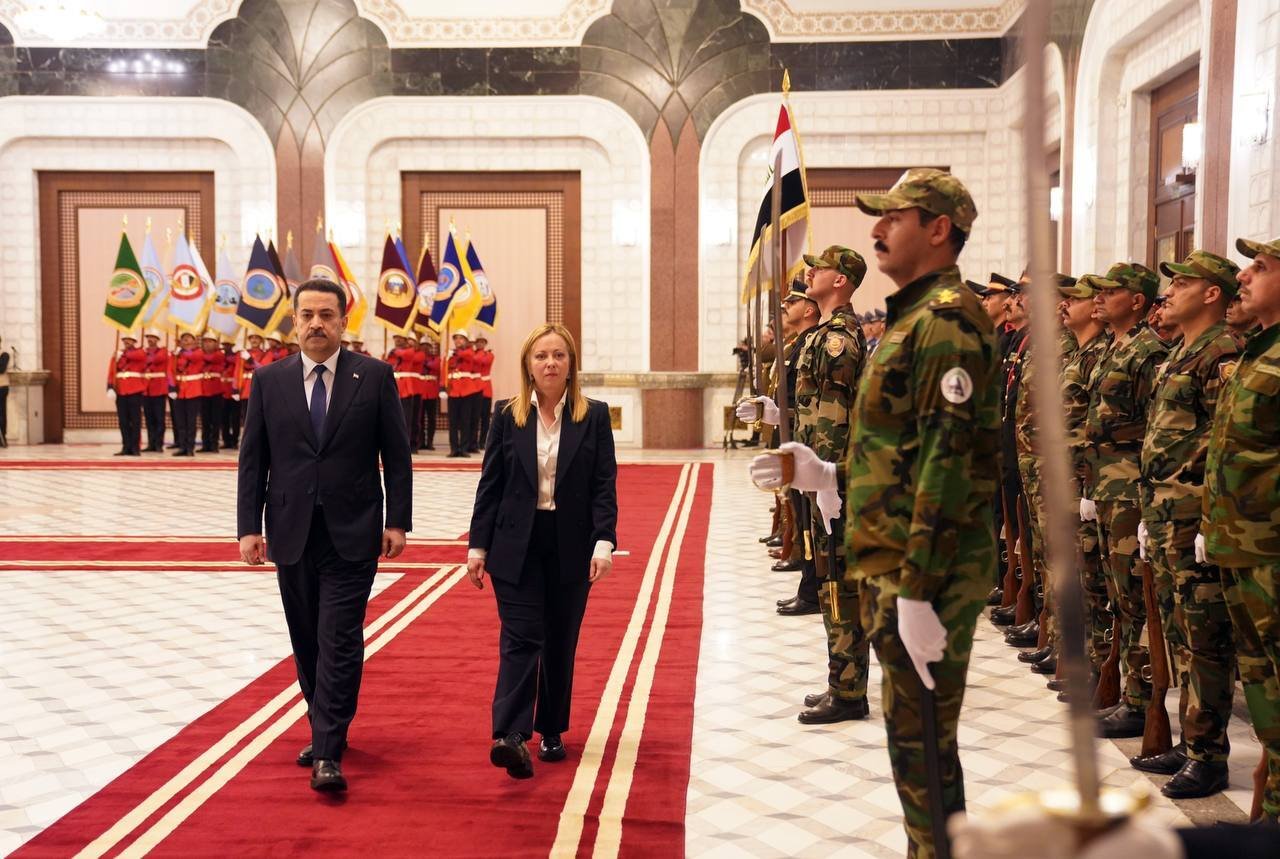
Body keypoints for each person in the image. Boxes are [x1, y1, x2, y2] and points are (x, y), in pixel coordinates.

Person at [752, 168, 998, 858]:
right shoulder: (912, 319)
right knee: (912, 750)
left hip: (930, 569)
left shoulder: (947, 322)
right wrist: (827, 474)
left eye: (894, 217)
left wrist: (919, 587)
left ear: (939, 229)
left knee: (924, 751)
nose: (878, 229)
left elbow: (947, 463)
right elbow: (898, 450)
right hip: (898, 558)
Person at [237, 277, 412, 793]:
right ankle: (325, 723)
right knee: (307, 637)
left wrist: (397, 520)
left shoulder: (373, 376)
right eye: (308, 315)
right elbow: (253, 460)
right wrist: (248, 527)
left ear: (343, 321)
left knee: (339, 637)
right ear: (294, 321)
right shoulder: (268, 380)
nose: (317, 324)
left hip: (353, 530)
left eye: (327, 315)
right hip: (290, 529)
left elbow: (396, 455)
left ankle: (328, 751)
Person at [466, 323, 617, 779]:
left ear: (571, 364)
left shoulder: (593, 415)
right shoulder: (506, 414)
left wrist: (604, 541)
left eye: (558, 355)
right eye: (541, 356)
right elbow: (490, 484)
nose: (550, 363)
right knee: (521, 636)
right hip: (516, 543)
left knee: (559, 639)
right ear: (528, 365)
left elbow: (603, 485)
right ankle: (511, 736)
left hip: (571, 543)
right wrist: (477, 546)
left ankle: (550, 728)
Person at [1132, 250, 1241, 797]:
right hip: (1164, 511)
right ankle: (1188, 738)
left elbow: (1225, 440)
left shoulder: (1222, 352)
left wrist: (1208, 518)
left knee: (1204, 637)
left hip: (1193, 511)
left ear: (1211, 293)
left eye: (1181, 283)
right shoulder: (1183, 350)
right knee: (1178, 632)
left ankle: (1208, 755)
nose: (1169, 292)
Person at [1203, 235, 1280, 822]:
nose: (1244, 277)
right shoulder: (1258, 351)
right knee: (1261, 690)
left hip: (1272, 554)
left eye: (1260, 266)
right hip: (1240, 550)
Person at [1082, 262, 1169, 738]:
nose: (1098, 297)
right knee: (1117, 594)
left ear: (1137, 300)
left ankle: (1141, 701)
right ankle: (1126, 691)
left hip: (1131, 488)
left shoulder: (1148, 352)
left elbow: (1157, 429)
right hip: (1105, 485)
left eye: (1109, 291)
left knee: (1136, 598)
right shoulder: (1114, 347)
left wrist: (1146, 500)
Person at [107, 332, 147, 456]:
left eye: (129, 340)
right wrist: (110, 387)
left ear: (134, 342)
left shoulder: (139, 352)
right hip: (120, 390)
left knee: (135, 420)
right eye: (125, 339)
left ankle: (135, 447)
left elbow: (139, 356)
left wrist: (122, 354)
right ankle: (126, 446)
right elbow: (111, 371)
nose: (126, 342)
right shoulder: (117, 354)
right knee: (123, 421)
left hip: (135, 390)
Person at [170, 331, 203, 457]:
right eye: (184, 339)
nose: (186, 341)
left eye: (189, 339)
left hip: (193, 391)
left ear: (194, 341)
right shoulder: (176, 355)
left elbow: (194, 357)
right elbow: (170, 370)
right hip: (179, 391)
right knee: (181, 421)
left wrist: (181, 353)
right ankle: (182, 446)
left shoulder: (198, 352)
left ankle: (190, 447)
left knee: (191, 421)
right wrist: (171, 387)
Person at [142, 330, 169, 452]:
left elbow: (158, 359)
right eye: (148, 337)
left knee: (159, 419)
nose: (150, 340)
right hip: (146, 389)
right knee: (149, 419)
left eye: (153, 337)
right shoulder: (144, 352)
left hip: (159, 389)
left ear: (157, 339)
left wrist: (146, 356)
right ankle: (151, 443)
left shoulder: (163, 351)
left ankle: (159, 443)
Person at [199, 331, 225, 453]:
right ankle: (205, 444)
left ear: (215, 344)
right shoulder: (200, 354)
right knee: (205, 420)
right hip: (203, 391)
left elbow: (211, 358)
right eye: (205, 341)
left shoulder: (219, 354)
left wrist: (198, 355)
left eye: (210, 341)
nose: (207, 344)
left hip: (216, 391)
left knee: (215, 420)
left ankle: (214, 444)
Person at [474, 335, 494, 450]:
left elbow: (482, 361)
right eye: (478, 342)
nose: (480, 344)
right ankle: (473, 442)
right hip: (474, 389)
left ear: (485, 344)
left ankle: (482, 442)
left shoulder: (489, 354)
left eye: (482, 342)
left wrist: (478, 353)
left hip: (486, 390)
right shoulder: (473, 354)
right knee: (474, 418)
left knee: (485, 419)